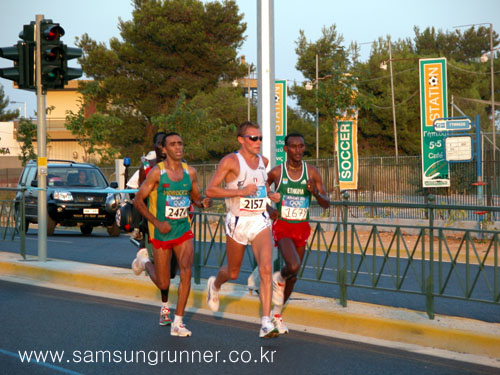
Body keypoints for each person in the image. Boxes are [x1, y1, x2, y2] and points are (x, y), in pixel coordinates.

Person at [205, 121, 281, 338]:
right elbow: (210, 190)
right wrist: (239, 193)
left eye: (260, 138)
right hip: (237, 221)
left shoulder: (263, 162)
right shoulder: (230, 161)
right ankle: (215, 284)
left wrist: (269, 197)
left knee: (266, 269)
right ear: (241, 139)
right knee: (233, 272)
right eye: (253, 138)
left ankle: (266, 322)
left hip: (259, 220)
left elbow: (260, 187)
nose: (258, 142)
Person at [133, 132, 211, 337]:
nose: (178, 147)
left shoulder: (190, 173)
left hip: (183, 230)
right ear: (164, 149)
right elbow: (138, 201)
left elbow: (195, 198)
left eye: (181, 143)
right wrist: (157, 222)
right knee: (164, 282)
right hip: (161, 232)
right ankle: (144, 262)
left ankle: (178, 322)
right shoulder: (156, 173)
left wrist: (202, 202)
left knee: (186, 271)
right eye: (173, 144)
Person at [267, 132, 330, 334]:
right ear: (285, 149)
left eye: (301, 146)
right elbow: (259, 191)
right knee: (292, 265)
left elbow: (326, 204)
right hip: (283, 225)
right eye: (293, 146)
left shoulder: (311, 172)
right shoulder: (277, 172)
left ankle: (276, 315)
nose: (298, 150)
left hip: (301, 227)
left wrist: (315, 193)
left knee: (294, 275)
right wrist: (269, 209)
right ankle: (278, 278)